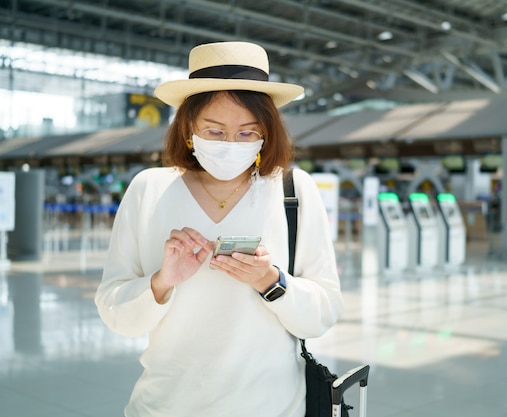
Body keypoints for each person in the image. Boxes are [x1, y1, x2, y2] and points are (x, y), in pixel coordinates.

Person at [95, 41, 344, 417]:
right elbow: (114, 311)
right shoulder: (150, 189)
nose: (231, 144)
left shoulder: (293, 191)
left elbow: (324, 312)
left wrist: (271, 281)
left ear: (266, 134)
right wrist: (162, 281)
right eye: (214, 131)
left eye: (247, 133)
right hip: (165, 406)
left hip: (272, 407)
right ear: (187, 130)